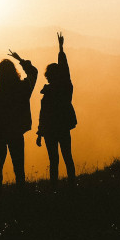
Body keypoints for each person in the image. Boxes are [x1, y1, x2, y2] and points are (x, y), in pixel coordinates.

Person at [0, 50, 37, 192]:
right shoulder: (24, 88)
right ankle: (21, 195)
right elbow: (34, 73)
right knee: (19, 167)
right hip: (16, 132)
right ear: (14, 71)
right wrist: (20, 59)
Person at [35, 32, 77, 189]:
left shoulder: (52, 92)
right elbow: (65, 70)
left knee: (54, 159)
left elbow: (43, 115)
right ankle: (71, 185)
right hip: (62, 127)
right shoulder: (65, 88)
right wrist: (60, 48)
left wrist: (40, 133)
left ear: (48, 76)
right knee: (67, 156)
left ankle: (54, 187)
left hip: (51, 130)